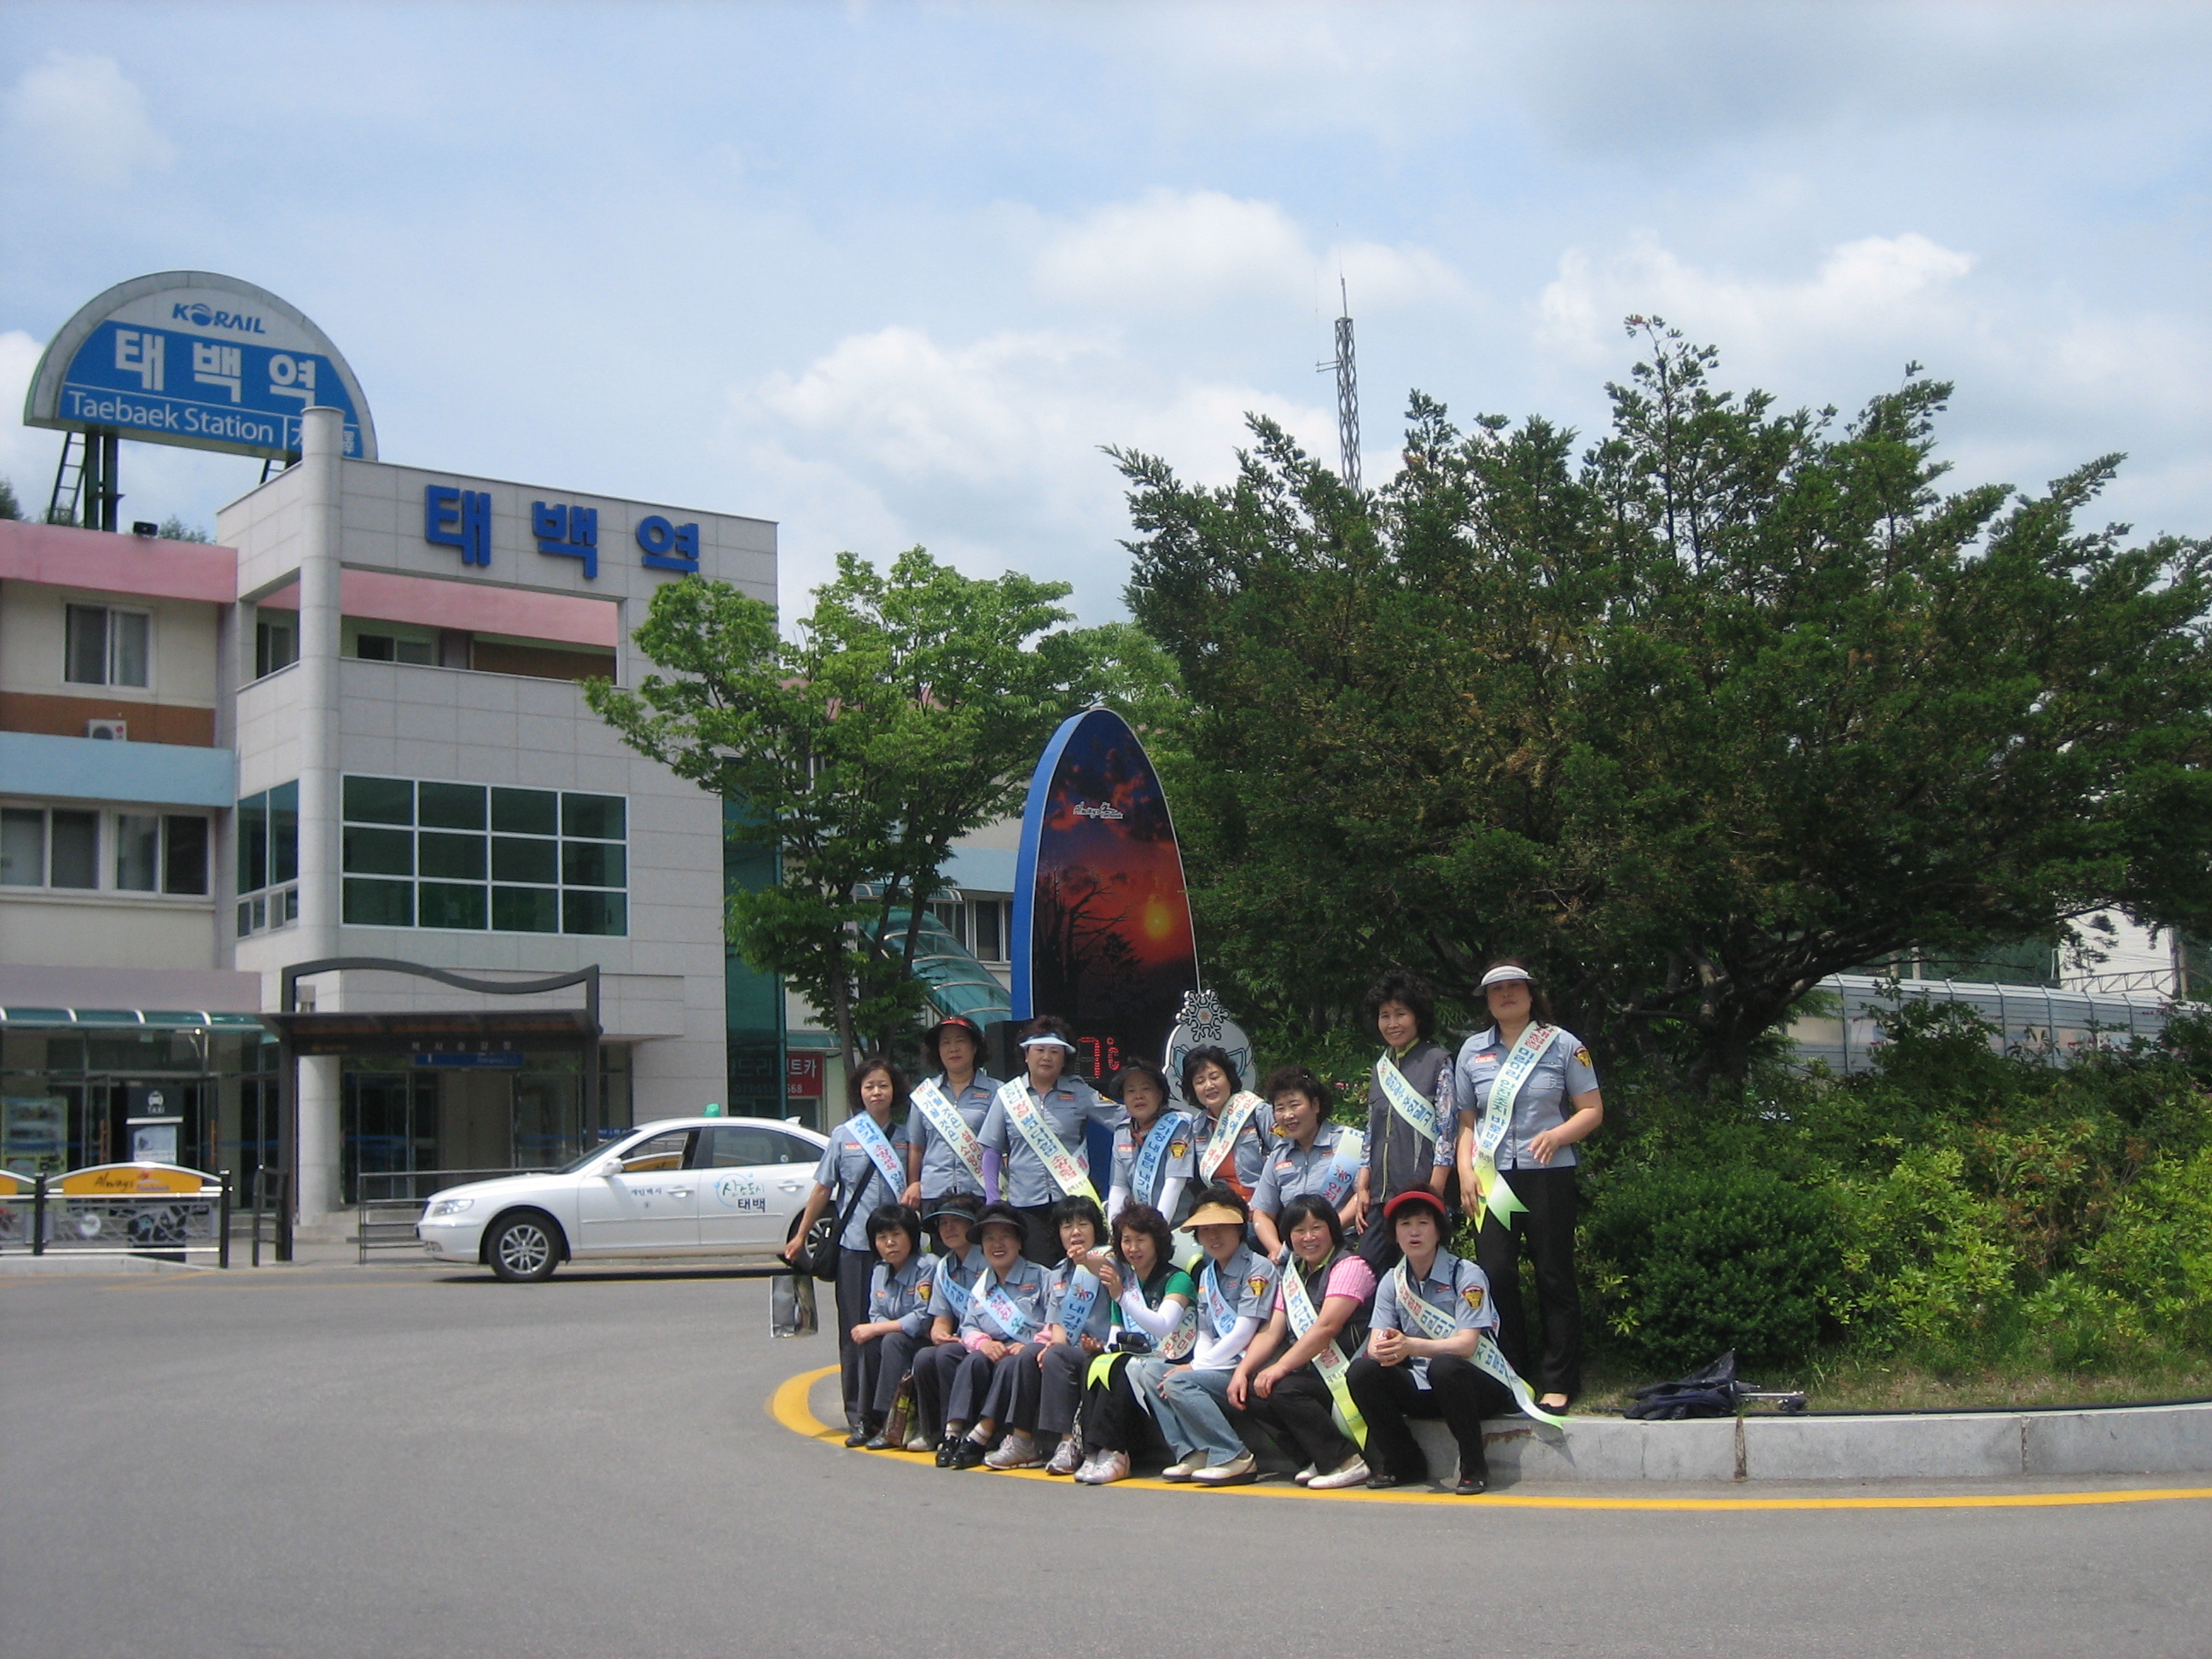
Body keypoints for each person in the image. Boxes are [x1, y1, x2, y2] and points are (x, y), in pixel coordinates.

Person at [1454, 958, 1603, 1413]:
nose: (1505, 995)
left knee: (1553, 1273)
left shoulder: (1563, 1044)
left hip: (1548, 1174)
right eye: (1496, 990)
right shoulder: (1472, 1051)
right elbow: (1466, 1124)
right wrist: (1465, 1173)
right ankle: (1510, 1375)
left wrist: (1558, 1135)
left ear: (1530, 993)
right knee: (1496, 1273)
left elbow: (1591, 1110)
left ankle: (1559, 1379)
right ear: (1487, 1000)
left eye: (1514, 987)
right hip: (1491, 1178)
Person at [780, 1053, 912, 1442]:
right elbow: (823, 1189)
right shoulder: (844, 1135)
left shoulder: (907, 1136)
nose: (877, 1092)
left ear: (894, 1091)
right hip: (855, 1247)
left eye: (883, 1085)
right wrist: (801, 1234)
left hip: (898, 1251)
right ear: (859, 1092)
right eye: (869, 1086)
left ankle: (891, 1414)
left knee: (894, 1333)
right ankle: (858, 1414)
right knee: (855, 1332)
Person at [1345, 1189, 1513, 1494]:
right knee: (1361, 1371)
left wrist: (1412, 1346)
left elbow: (1467, 1346)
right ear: (1394, 1233)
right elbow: (1374, 1345)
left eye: (1423, 1223)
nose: (1414, 1232)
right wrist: (1388, 1347)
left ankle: (1474, 1468)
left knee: (1445, 1366)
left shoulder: (1465, 1273)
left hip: (1475, 1384)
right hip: (1424, 1385)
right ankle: (1403, 1463)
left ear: (1439, 1230)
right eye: (1405, 1224)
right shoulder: (1392, 1280)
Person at [1231, 1194, 1376, 1488]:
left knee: (1284, 1389)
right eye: (1299, 1230)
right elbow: (1272, 1331)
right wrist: (1242, 1372)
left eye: (1317, 1228)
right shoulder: (1293, 1274)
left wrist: (1280, 1367)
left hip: (1345, 1372)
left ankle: (1346, 1460)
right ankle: (1314, 1458)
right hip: (1311, 1372)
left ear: (1332, 1229)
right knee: (1251, 1392)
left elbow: (1326, 1327)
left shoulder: (1350, 1266)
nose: (1308, 1238)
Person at [1147, 1185, 1279, 1486]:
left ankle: (1233, 1454)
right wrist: (1198, 1364)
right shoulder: (1207, 1274)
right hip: (1218, 1364)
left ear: (1239, 1228)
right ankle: (1194, 1451)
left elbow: (1244, 1331)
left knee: (1179, 1381)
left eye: (1221, 1227)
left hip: (1246, 1365)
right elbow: (1205, 1330)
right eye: (1205, 1230)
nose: (1213, 1236)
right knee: (1151, 1372)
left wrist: (1194, 1368)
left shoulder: (1258, 1268)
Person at [916, 1200, 1053, 1470]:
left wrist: (1031, 1343)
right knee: (973, 1360)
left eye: (1005, 1237)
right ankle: (953, 1433)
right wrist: (983, 1343)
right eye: (989, 1239)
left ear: (1019, 1242)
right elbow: (968, 1326)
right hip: (992, 1350)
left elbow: (1054, 1323)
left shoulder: (1042, 1276)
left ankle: (981, 1435)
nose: (997, 1245)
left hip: (1026, 1353)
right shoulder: (982, 1286)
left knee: (1011, 1362)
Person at [979, 1015, 1122, 1265]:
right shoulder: (1007, 1096)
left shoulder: (1078, 1091)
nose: (1047, 1057)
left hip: (1071, 1203)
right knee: (1039, 1269)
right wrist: (993, 1199)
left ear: (1064, 1058)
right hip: (1026, 1205)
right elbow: (992, 1149)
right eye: (1040, 1050)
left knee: (1079, 1268)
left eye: (1055, 1051)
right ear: (1026, 1055)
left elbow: (1120, 1117)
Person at [1074, 1202, 1196, 1485]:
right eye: (1126, 1240)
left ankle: (1116, 1453)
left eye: (1141, 1240)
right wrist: (1100, 1349)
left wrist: (1121, 1296)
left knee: (1120, 1366)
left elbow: (1163, 1325)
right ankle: (1094, 1451)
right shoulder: (1126, 1282)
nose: (1133, 1248)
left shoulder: (1177, 1279)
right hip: (1136, 1359)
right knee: (1097, 1363)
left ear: (1157, 1241)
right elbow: (1117, 1337)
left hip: (1171, 1358)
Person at [1352, 969, 1453, 1272]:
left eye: (1400, 1014)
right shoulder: (1381, 1068)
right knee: (1367, 1270)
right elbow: (1371, 1130)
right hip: (1380, 1197)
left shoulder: (1437, 1061)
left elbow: (1447, 1131)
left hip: (1419, 1194)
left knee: (1422, 1274)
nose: (1392, 1023)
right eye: (1385, 1016)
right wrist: (1362, 1184)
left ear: (1417, 1017)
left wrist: (1434, 1194)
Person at [1006, 1195, 1115, 1475]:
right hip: (1071, 1349)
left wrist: (1086, 1261)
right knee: (1031, 1353)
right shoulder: (1057, 1274)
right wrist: (1052, 1347)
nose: (1075, 1232)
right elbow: (1057, 1326)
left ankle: (1070, 1442)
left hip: (1104, 1348)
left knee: (1055, 1356)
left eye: (1083, 1224)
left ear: (1096, 1228)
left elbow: (1108, 1272)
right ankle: (1022, 1440)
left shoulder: (1109, 1259)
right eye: (1067, 1226)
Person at [1249, 1063, 1365, 1256]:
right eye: (1280, 1108)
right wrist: (1276, 1250)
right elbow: (1262, 1213)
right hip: (1297, 1253)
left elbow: (1362, 1193)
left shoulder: (1349, 1142)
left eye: (1294, 1105)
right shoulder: (1278, 1155)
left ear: (1316, 1105)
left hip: (1344, 1245)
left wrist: (1329, 1232)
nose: (1288, 1115)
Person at [847, 1203, 934, 1450]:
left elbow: (921, 1318)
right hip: (894, 1338)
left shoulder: (927, 1266)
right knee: (872, 1341)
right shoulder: (879, 1270)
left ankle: (890, 1422)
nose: (890, 1243)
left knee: (889, 1340)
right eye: (882, 1237)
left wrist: (878, 1329)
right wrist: (876, 1329)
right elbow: (875, 1313)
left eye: (896, 1235)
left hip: (923, 1339)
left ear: (911, 1237)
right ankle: (866, 1419)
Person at [905, 1194, 987, 1451]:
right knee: (925, 1357)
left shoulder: (989, 1259)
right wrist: (940, 1334)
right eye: (943, 1223)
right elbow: (941, 1321)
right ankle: (934, 1431)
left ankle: (962, 1429)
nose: (949, 1228)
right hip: (962, 1339)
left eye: (956, 1221)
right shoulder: (944, 1267)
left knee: (947, 1355)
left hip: (988, 1338)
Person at [903, 1015, 997, 1207]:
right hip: (934, 1193)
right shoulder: (925, 1094)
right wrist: (914, 1184)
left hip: (980, 1193)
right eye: (945, 1043)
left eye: (960, 1041)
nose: (953, 1048)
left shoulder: (997, 1091)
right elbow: (916, 1147)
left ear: (975, 1047)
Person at [1104, 1059, 1196, 1228]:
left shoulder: (1178, 1125)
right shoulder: (1122, 1132)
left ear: (1160, 1094)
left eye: (1146, 1089)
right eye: (1131, 1091)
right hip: (1143, 1230)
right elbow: (1119, 1188)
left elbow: (1175, 1184)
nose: (1138, 1096)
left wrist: (1157, 1232)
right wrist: (1114, 1233)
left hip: (1181, 1227)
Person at [1181, 1045, 1273, 1204]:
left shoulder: (1258, 1113)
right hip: (1224, 1208)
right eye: (1200, 1081)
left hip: (1265, 1204)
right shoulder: (1197, 1127)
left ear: (1229, 1078)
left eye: (1214, 1077)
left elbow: (1285, 1158)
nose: (1209, 1086)